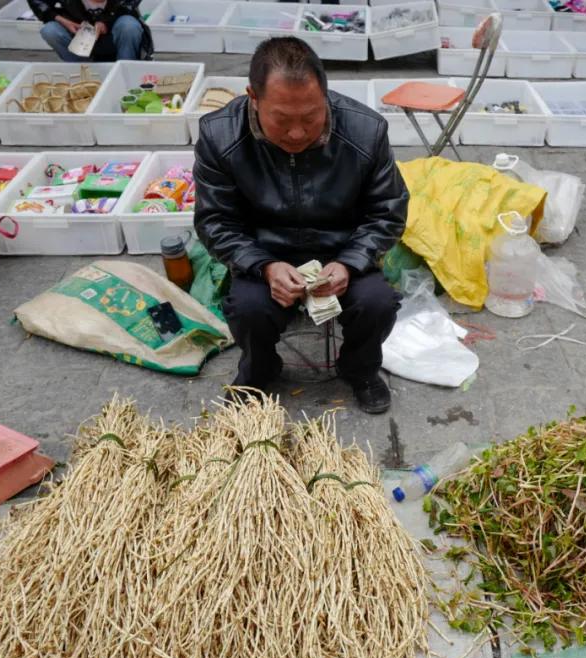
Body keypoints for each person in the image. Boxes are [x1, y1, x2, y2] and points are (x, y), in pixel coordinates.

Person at [194, 38, 409, 415]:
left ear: (326, 96)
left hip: (342, 251)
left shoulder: (365, 130)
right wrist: (264, 265)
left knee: (378, 302)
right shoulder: (219, 135)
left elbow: (388, 211)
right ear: (253, 98)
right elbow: (215, 221)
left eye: (311, 117)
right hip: (265, 255)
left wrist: (350, 263)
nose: (297, 133)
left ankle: (359, 368)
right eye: (282, 119)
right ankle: (259, 370)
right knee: (246, 308)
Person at [27, 0, 152, 62]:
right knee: (50, 30)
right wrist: (61, 19)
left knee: (129, 25)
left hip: (116, 39)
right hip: (78, 36)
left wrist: (106, 21)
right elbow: (38, 2)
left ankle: (125, 68)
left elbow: (127, 5)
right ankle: (81, 72)